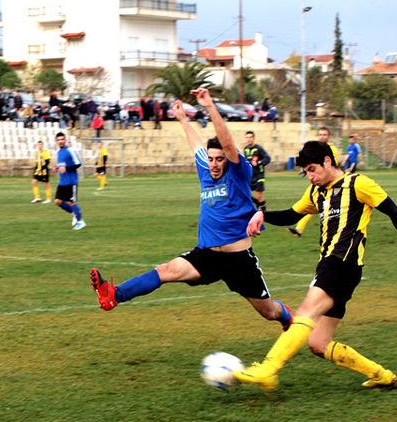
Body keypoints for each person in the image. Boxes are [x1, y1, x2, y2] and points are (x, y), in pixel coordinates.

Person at [90, 88, 293, 334]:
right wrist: (184, 120)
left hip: (238, 261)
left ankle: (287, 316)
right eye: (211, 159)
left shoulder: (239, 174)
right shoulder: (206, 172)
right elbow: (196, 144)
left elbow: (227, 143)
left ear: (227, 159)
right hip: (206, 256)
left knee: (268, 312)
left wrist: (209, 107)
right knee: (165, 271)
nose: (214, 164)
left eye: (220, 159)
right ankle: (114, 295)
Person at [234, 140, 397, 390]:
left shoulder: (358, 184)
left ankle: (268, 368)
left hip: (343, 262)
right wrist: (262, 214)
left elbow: (394, 212)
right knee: (318, 343)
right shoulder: (316, 192)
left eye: (312, 169)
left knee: (305, 312)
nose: (310, 177)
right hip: (331, 265)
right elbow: (292, 215)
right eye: (306, 172)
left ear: (327, 161)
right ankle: (381, 375)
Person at [287, 126, 339, 237]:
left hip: (330, 183)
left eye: (324, 134)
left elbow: (332, 166)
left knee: (321, 206)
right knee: (312, 203)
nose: (322, 136)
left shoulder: (331, 149)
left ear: (328, 136)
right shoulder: (316, 148)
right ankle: (299, 228)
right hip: (319, 182)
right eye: (320, 134)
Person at [52, 132, 86, 230]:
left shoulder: (70, 150)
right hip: (62, 182)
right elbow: (62, 165)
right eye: (59, 140)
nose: (61, 141)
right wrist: (57, 168)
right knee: (57, 201)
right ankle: (74, 214)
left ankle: (81, 221)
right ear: (56, 141)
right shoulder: (59, 153)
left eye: (62, 139)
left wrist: (67, 168)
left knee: (71, 202)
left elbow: (78, 164)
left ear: (65, 140)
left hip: (71, 181)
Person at [243, 131, 271, 211]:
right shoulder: (246, 149)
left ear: (253, 138)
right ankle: (258, 204)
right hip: (250, 176)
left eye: (250, 137)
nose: (249, 139)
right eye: (247, 137)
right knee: (246, 194)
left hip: (259, 175)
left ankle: (264, 214)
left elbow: (267, 158)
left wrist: (259, 162)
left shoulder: (258, 148)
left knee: (259, 195)